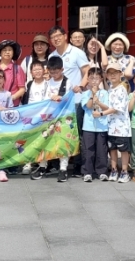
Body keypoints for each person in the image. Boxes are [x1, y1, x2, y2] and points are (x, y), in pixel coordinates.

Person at [48, 26, 90, 176]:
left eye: (58, 35)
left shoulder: (77, 52)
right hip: (58, 103)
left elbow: (87, 71)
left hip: (75, 101)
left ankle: (78, 165)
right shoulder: (52, 55)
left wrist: (81, 86)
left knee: (75, 133)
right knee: (58, 132)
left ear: (65, 36)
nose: (56, 39)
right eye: (53, 37)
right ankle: (57, 163)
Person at [30, 57, 72, 182]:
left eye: (56, 71)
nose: (54, 74)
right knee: (45, 140)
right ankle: (43, 166)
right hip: (49, 117)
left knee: (63, 142)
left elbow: (69, 98)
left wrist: (60, 98)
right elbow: (45, 98)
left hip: (63, 117)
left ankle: (63, 168)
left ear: (62, 69)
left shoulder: (67, 82)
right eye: (51, 71)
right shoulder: (47, 82)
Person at [81, 67, 111, 183]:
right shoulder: (85, 93)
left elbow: (107, 107)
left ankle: (102, 171)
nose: (94, 81)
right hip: (88, 126)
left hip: (102, 126)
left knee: (101, 149)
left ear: (101, 79)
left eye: (97, 78)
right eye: (91, 78)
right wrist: (92, 95)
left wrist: (98, 102)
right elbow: (88, 106)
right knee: (88, 149)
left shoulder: (105, 93)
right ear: (88, 79)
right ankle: (87, 172)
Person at [19, 59, 48, 175]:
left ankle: (43, 164)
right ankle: (28, 163)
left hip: (43, 117)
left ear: (44, 70)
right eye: (34, 69)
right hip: (30, 117)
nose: (37, 71)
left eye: (39, 69)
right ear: (31, 72)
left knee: (43, 140)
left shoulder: (48, 84)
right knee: (29, 140)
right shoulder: (29, 84)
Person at [104, 62, 132, 183]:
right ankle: (114, 170)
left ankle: (124, 171)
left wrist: (101, 113)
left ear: (121, 74)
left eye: (115, 72)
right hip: (111, 126)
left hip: (122, 127)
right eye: (110, 73)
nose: (113, 75)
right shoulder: (110, 88)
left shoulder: (122, 89)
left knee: (123, 150)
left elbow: (116, 108)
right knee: (112, 149)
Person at [0, 40, 26, 106]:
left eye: (10, 50)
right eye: (4, 50)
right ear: (0, 52)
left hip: (12, 105)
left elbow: (22, 89)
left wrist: (11, 98)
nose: (7, 52)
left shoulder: (18, 69)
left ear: (13, 53)